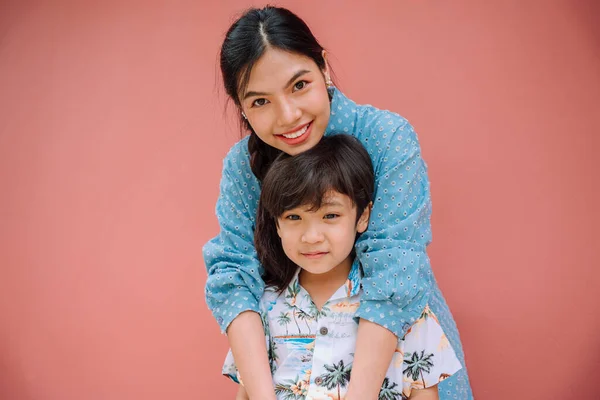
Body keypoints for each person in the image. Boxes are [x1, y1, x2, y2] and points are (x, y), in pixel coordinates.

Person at [203, 6, 473, 399]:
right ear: (241, 106)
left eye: (299, 85)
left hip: (397, 365)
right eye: (260, 101)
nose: (288, 115)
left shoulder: (385, 136)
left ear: (323, 67)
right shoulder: (243, 166)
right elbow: (233, 274)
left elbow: (393, 274)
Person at [222, 135, 463, 400]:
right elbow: (246, 393)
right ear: (277, 224)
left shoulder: (402, 305)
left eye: (330, 216)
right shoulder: (261, 308)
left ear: (363, 216)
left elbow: (424, 392)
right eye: (294, 217)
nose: (311, 236)